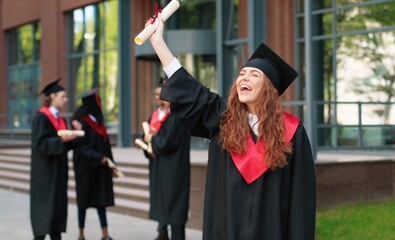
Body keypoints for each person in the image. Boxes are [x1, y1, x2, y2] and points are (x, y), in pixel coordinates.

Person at [146, 15, 316, 240]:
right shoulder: (223, 119)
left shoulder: (293, 132)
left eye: (254, 74)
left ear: (269, 89)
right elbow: (191, 92)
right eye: (242, 74)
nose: (243, 78)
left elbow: (301, 201)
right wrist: (158, 42)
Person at [137, 79, 191, 240]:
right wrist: (148, 146)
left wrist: (152, 139)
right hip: (161, 165)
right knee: (164, 201)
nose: (157, 97)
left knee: (174, 206)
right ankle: (162, 233)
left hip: (174, 168)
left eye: (159, 94)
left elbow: (168, 142)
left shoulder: (176, 116)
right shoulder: (158, 115)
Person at [30, 79, 81, 240]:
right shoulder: (41, 118)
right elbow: (40, 144)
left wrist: (75, 134)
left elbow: (64, 146)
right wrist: (62, 140)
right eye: (63, 96)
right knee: (44, 214)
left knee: (57, 213)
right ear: (52, 96)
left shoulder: (61, 119)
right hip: (45, 174)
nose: (66, 100)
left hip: (59, 172)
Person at [71, 89, 115, 240]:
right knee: (83, 201)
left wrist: (111, 163)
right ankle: (81, 234)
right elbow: (81, 146)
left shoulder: (98, 121)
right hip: (85, 168)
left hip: (100, 168)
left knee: (101, 201)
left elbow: (106, 145)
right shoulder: (79, 121)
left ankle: (105, 234)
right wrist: (99, 158)